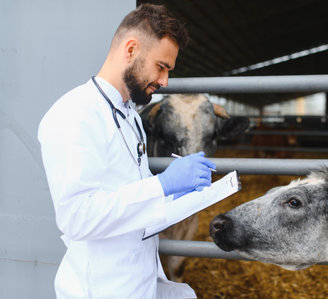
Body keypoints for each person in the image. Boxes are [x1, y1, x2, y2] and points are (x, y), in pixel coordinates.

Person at [38, 4, 215, 299]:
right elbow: (78, 217)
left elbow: (128, 195)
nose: (164, 82)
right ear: (131, 49)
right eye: (161, 67)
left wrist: (174, 195)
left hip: (137, 280)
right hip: (101, 288)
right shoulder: (74, 114)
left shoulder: (130, 115)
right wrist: (162, 185)